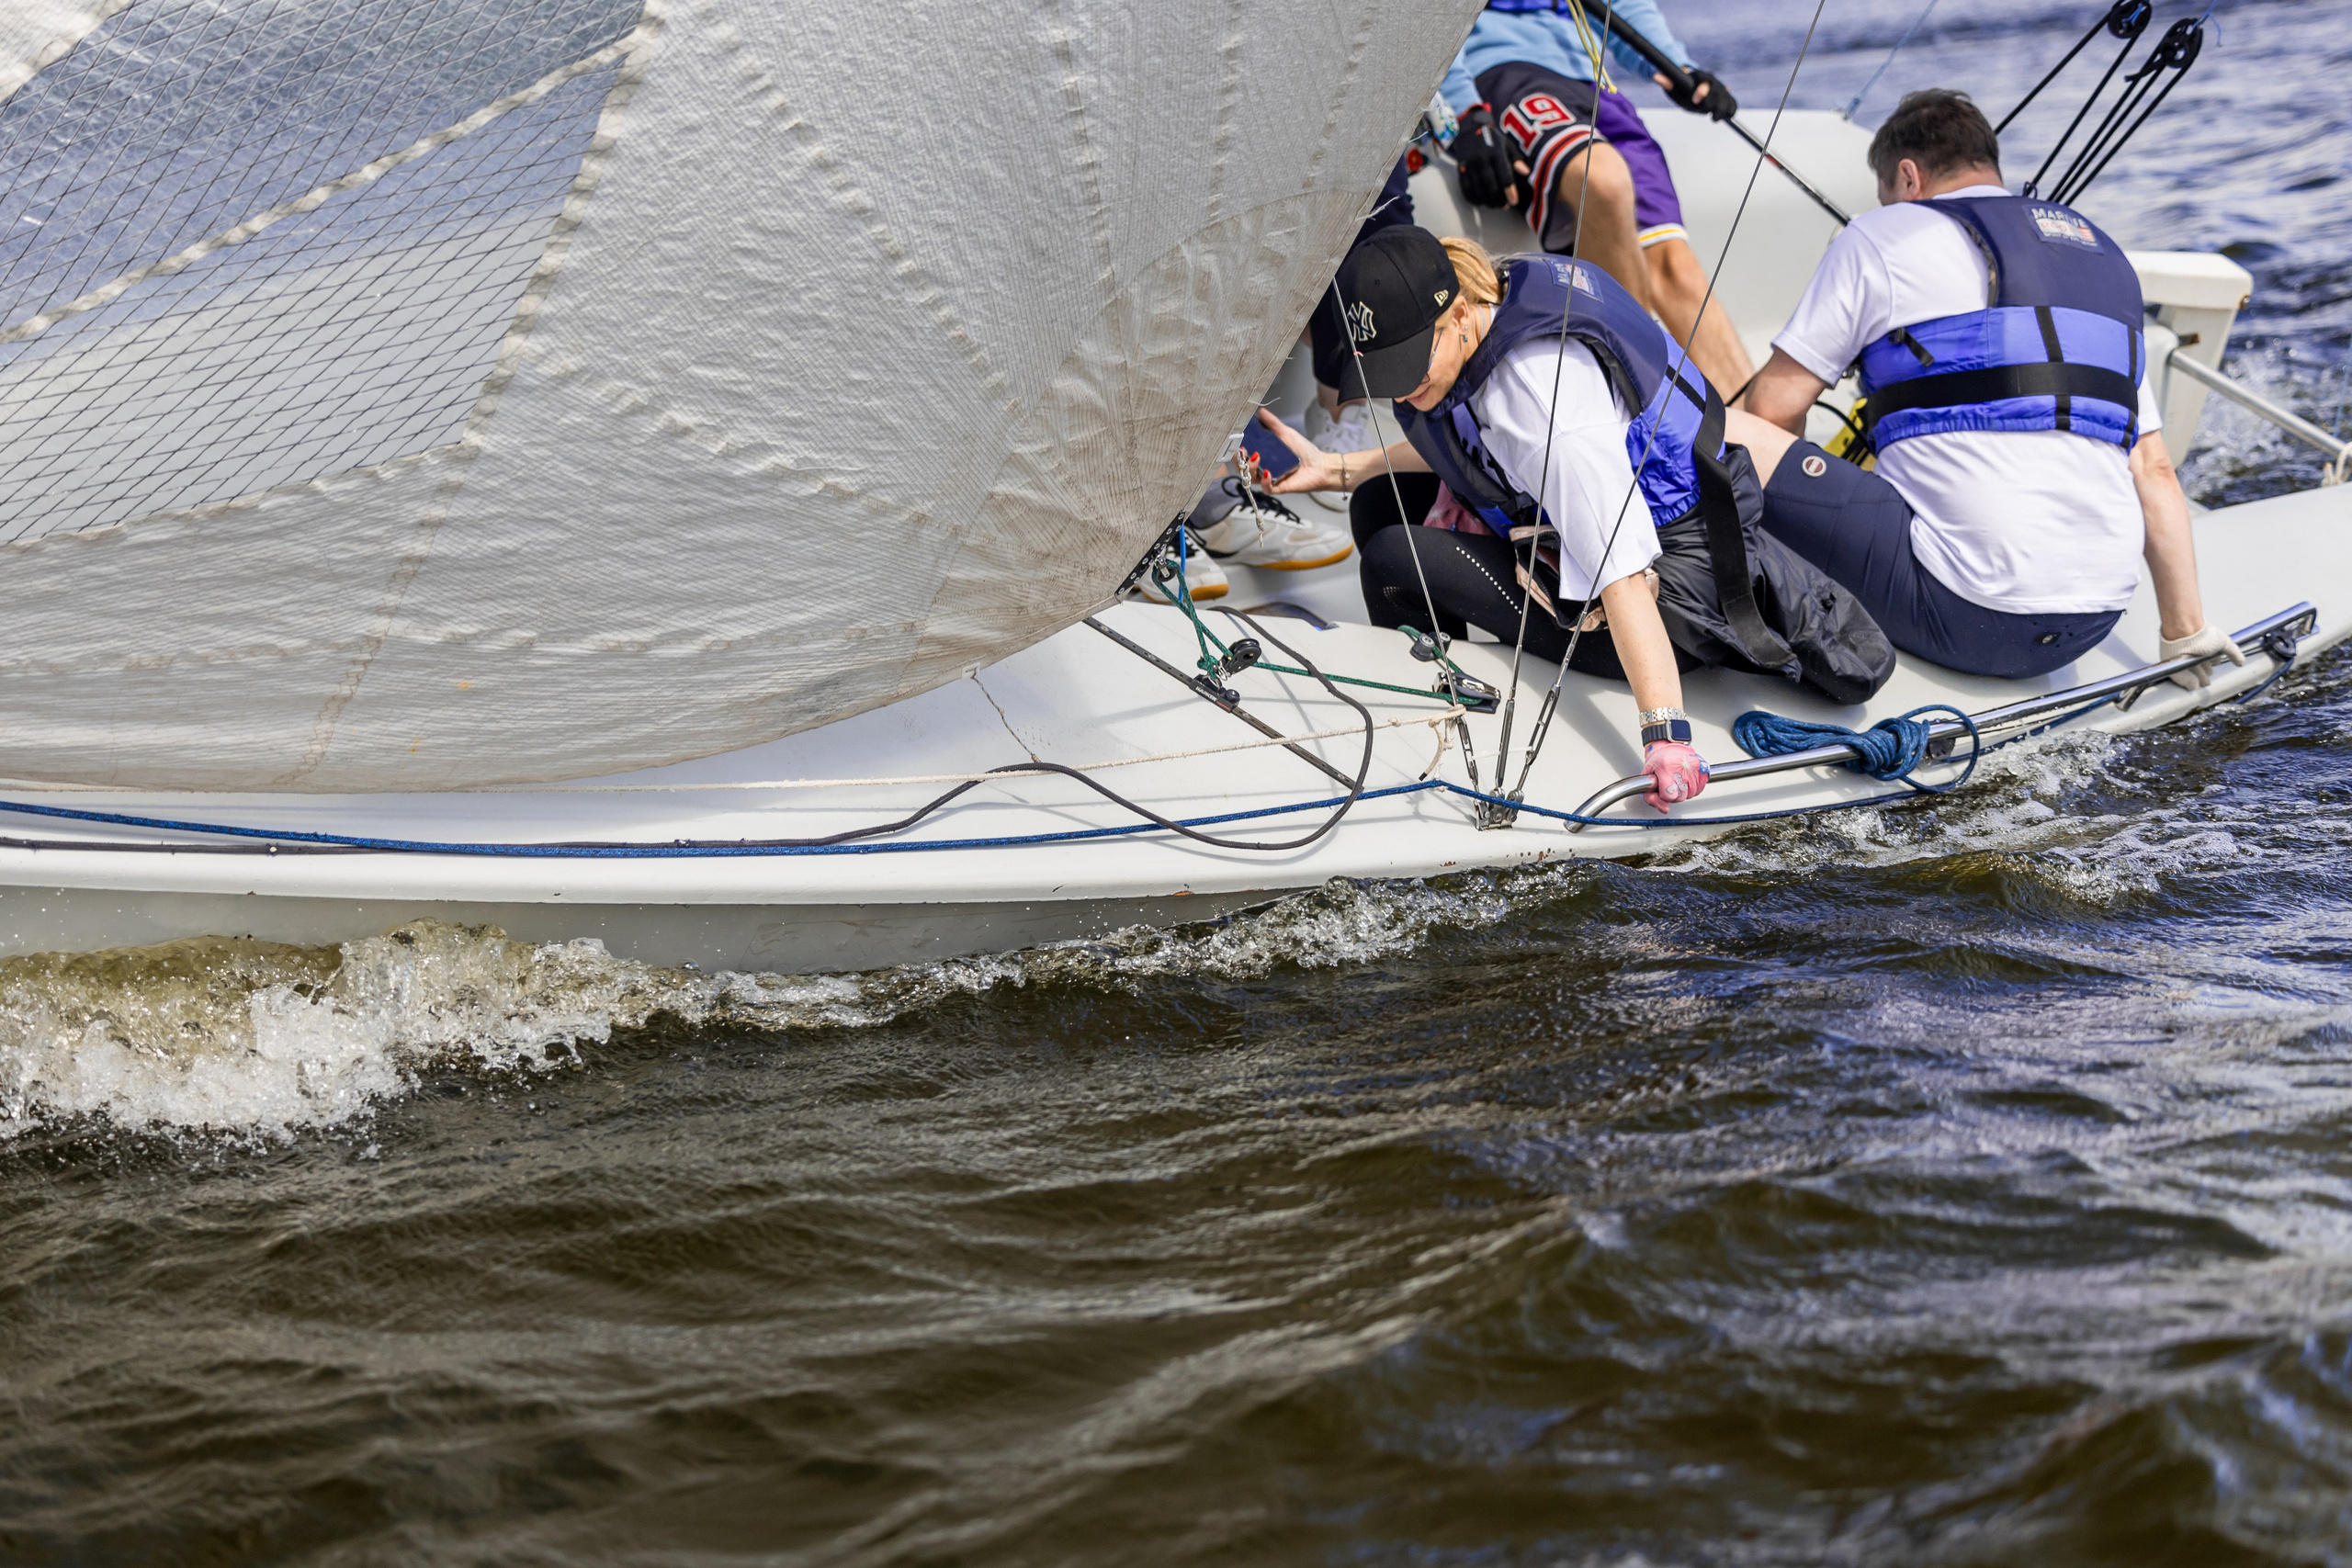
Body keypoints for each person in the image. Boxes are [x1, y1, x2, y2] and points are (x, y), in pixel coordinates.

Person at [1257, 226, 1896, 814]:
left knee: (1398, 557)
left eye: (1409, 368)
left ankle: (1449, 729)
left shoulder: (1543, 403)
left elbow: (1622, 572)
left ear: (1455, 318)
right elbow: (1464, 440)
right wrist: (1337, 469)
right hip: (1641, 524)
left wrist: (1665, 735)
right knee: (1377, 499)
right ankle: (1453, 670)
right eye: (1385, 371)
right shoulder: (1490, 296)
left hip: (1675, 596)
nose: (1399, 392)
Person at [1737, 89, 2245, 687]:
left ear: (1907, 177)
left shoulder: (1881, 236)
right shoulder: (2107, 264)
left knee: (1723, 425)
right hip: (2094, 621)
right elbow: (2154, 469)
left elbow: (1772, 409)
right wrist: (2185, 632)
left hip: (1965, 612)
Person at [1440, 0, 1754, 396]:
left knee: (1674, 263)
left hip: (1592, 82)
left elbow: (1621, 5)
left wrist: (1677, 66)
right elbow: (1423, 17)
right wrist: (1465, 114)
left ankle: (1768, 443)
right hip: (1500, 77)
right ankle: (1653, 416)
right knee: (1602, 180)